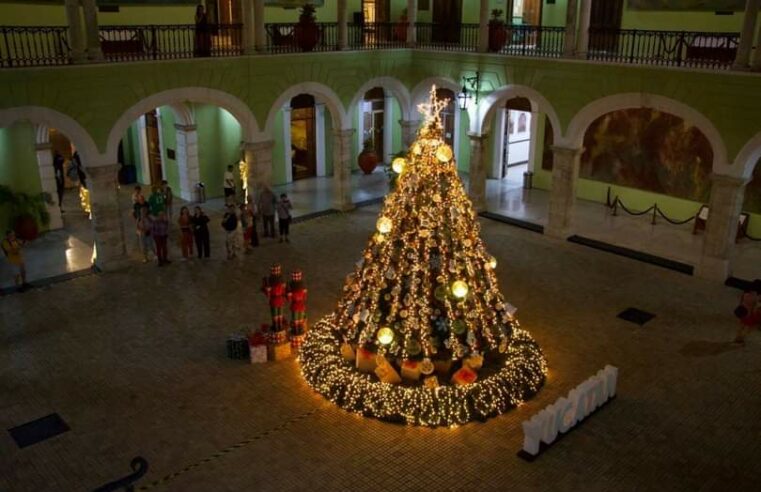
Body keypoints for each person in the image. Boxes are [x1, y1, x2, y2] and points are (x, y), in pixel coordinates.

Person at [734, 280, 761, 345]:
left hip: (746, 310)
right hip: (751, 312)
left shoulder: (746, 296)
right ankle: (741, 337)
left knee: (742, 325)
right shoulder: (754, 298)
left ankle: (739, 337)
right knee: (748, 327)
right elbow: (756, 307)